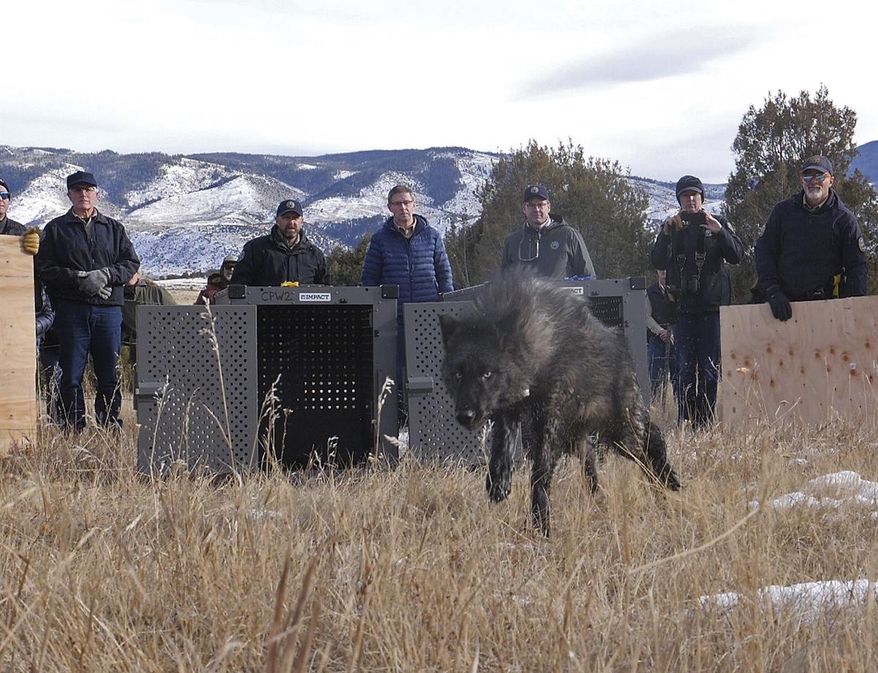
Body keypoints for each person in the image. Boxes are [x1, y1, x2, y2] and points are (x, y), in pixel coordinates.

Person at [35, 170, 140, 431]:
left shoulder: (114, 228)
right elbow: (45, 268)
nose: (84, 194)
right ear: (69, 194)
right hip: (72, 310)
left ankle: (109, 425)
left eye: (88, 189)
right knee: (70, 373)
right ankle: (73, 425)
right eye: (78, 190)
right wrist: (79, 278)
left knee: (108, 373)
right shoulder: (56, 229)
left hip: (108, 311)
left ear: (97, 193)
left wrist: (105, 275)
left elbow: (130, 263)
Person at [650, 175, 744, 428]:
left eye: (695, 195)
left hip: (712, 310)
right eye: (685, 195)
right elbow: (657, 261)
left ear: (702, 198)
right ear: (679, 199)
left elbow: (737, 255)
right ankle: (685, 418)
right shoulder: (672, 227)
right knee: (683, 369)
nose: (690, 199)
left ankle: (706, 420)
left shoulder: (717, 223)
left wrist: (720, 232)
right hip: (682, 311)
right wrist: (666, 236)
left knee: (710, 369)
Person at [361, 184, 454, 425]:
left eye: (406, 202)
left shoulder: (432, 235)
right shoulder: (380, 240)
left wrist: (446, 305)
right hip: (396, 318)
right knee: (398, 370)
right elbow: (370, 279)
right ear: (390, 208)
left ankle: (432, 418)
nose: (402, 207)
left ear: (414, 204)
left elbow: (444, 273)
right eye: (397, 203)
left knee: (432, 368)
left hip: (428, 315)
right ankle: (400, 421)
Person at [755, 155, 868, 321]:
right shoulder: (782, 212)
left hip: (828, 310)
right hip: (784, 308)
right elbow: (764, 252)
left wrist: (851, 309)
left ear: (831, 180)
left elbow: (857, 267)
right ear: (801, 180)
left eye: (820, 176)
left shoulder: (844, 219)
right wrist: (772, 291)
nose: (813, 181)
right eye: (808, 176)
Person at [500, 184, 595, 279]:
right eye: (531, 205)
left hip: (560, 294)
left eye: (540, 205)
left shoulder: (569, 235)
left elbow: (588, 277)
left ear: (548, 207)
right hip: (524, 294)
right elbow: (504, 281)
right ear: (524, 209)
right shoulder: (512, 241)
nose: (536, 209)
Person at [230, 199, 329, 286]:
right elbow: (239, 285)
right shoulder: (255, 249)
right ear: (277, 220)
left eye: (295, 218)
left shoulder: (315, 255)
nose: (291, 222)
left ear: (302, 221)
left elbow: (326, 291)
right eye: (286, 218)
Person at [122, 271, 177, 368]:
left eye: (131, 271)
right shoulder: (115, 294)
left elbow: (176, 318)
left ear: (138, 274)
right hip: (129, 350)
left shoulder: (157, 293)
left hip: (158, 349)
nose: (127, 274)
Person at [646, 269, 678, 403]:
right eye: (661, 271)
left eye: (666, 270)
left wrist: (674, 333)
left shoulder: (678, 289)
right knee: (654, 376)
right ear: (657, 272)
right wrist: (660, 331)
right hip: (657, 338)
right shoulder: (649, 291)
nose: (664, 273)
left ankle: (680, 407)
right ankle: (654, 408)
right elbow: (646, 315)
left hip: (677, 339)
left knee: (679, 376)